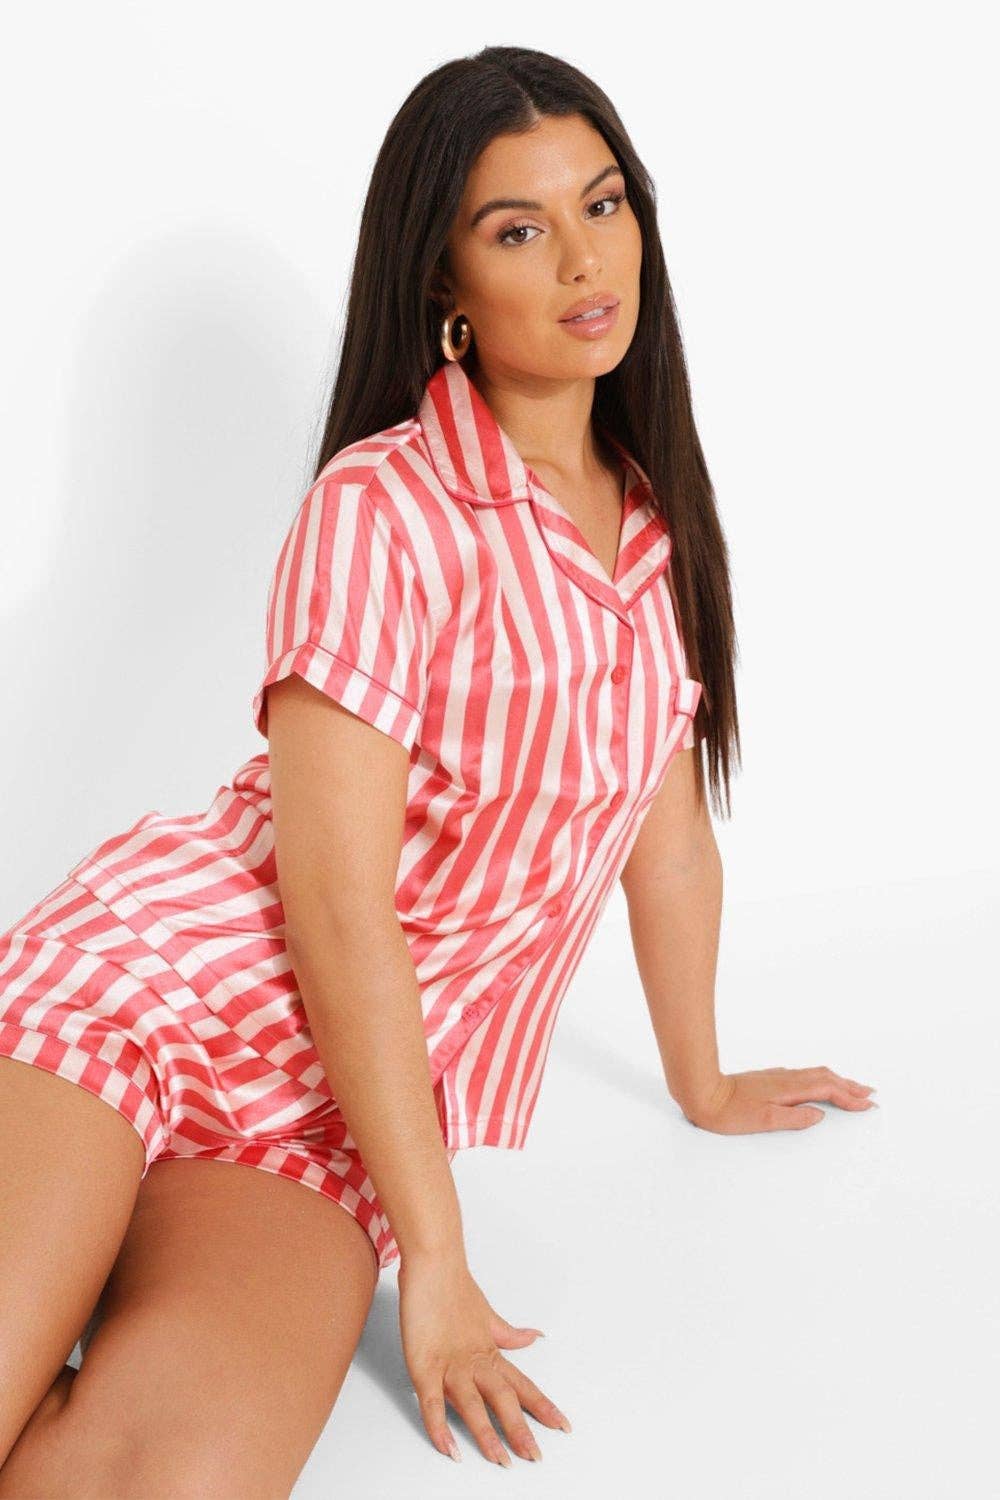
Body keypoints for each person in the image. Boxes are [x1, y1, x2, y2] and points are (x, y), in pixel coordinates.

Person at [0, 44, 877, 1494]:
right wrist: (441, 1261)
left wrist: (705, 1081)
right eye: (519, 230)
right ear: (445, 286)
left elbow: (665, 843)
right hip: (159, 992)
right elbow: (339, 911)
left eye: (604, 205)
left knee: (163, 1483)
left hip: (328, 1124)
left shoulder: (652, 532)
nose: (584, 259)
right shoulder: (381, 510)